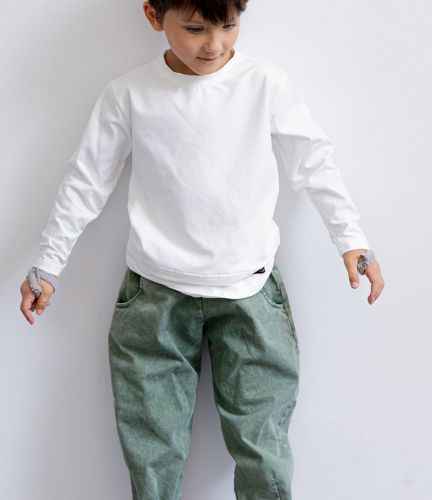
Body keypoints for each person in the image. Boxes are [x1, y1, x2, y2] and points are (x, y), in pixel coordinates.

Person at [19, 0, 385, 498]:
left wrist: (351, 240)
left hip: (250, 292)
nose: (214, 45)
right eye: (194, 29)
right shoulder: (129, 94)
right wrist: (48, 263)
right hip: (154, 298)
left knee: (263, 450)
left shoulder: (264, 85)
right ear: (154, 16)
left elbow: (314, 163)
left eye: (228, 26)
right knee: (151, 452)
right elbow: (86, 181)